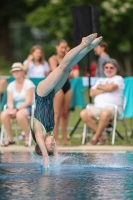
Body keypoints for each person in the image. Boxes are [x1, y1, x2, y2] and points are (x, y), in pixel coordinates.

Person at [30, 33, 103, 168]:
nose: (53, 144)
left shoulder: (39, 133)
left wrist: (46, 166)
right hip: (51, 94)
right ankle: (88, 48)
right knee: (68, 68)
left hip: (41, 93)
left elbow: (46, 156)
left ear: (42, 147)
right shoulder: (50, 133)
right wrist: (56, 165)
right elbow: (55, 155)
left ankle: (83, 43)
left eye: (49, 146)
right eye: (53, 146)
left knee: (63, 66)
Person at [80, 58, 124, 145]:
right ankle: (102, 136)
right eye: (106, 67)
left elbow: (112, 87)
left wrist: (100, 87)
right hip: (98, 107)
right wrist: (106, 88)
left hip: (113, 108)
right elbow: (91, 93)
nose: (108, 69)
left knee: (105, 113)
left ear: (116, 69)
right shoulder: (100, 80)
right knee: (83, 113)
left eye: (111, 68)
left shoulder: (118, 78)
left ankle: (95, 137)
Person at [1, 62, 35, 147]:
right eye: (14, 71)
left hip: (28, 107)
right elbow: (9, 101)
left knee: (20, 114)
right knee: (4, 114)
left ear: (22, 72)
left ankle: (27, 138)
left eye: (18, 70)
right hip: (15, 107)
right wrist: (11, 109)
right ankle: (10, 139)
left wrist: (16, 109)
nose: (16, 72)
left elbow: (28, 101)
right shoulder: (11, 85)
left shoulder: (28, 84)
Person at [48, 39, 72, 145]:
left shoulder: (68, 59)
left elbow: (72, 73)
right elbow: (57, 71)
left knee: (65, 113)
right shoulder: (52, 59)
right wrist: (66, 69)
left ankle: (65, 138)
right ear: (57, 47)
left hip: (67, 86)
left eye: (65, 48)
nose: (63, 50)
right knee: (57, 114)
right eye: (61, 47)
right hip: (58, 87)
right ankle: (55, 138)